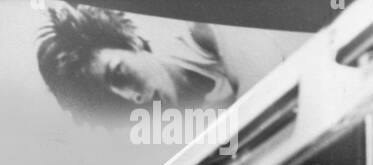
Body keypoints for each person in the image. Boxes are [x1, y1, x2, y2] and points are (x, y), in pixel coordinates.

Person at [36, 3, 303, 123]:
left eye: (119, 74)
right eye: (111, 101)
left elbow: (264, 88)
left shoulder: (202, 30)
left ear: (132, 42)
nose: (134, 97)